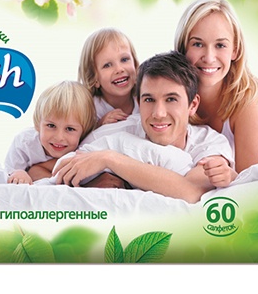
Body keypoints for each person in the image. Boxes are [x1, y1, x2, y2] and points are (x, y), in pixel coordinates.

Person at [54, 51, 234, 202]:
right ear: (139, 103)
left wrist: (110, 159)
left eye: (171, 99)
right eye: (149, 100)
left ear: (192, 105)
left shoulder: (209, 143)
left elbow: (191, 191)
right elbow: (62, 168)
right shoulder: (113, 131)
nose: (158, 113)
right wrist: (90, 183)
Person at [174, 0, 258, 174]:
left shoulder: (244, 100)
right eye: (198, 44)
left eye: (220, 45)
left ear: (235, 50)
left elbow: (250, 179)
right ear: (183, 48)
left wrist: (230, 176)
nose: (209, 57)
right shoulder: (167, 89)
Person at [4, 80, 98, 185]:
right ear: (38, 124)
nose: (59, 137)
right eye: (51, 126)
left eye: (70, 129)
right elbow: (10, 171)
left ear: (84, 131)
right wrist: (19, 173)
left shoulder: (84, 146)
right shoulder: (25, 142)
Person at [77, 28, 140, 125]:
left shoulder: (145, 98)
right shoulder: (91, 109)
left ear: (135, 65)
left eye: (124, 59)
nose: (119, 69)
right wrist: (100, 124)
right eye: (107, 65)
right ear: (95, 78)